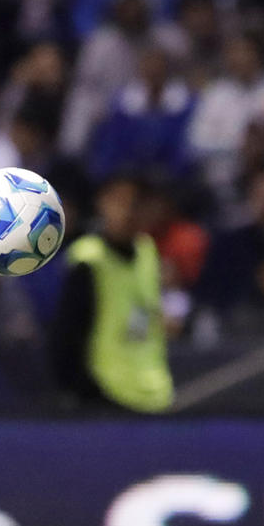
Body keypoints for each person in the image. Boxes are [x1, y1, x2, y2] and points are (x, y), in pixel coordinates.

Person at [50, 175, 174, 413]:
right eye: (119, 201)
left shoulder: (148, 252)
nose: (127, 211)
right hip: (106, 397)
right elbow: (65, 338)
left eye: (135, 203)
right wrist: (84, 392)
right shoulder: (88, 260)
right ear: (101, 203)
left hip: (154, 394)